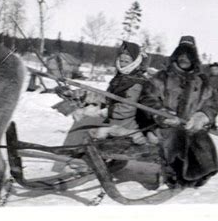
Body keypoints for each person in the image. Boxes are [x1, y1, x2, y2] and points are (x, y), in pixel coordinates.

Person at [52, 40, 149, 172]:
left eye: (126, 61)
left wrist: (100, 112)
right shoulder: (121, 77)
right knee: (82, 117)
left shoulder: (137, 82)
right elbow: (108, 97)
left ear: (135, 62)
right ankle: (76, 158)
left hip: (125, 121)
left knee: (82, 125)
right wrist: (83, 95)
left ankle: (67, 162)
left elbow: (127, 109)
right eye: (121, 60)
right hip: (115, 116)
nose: (122, 63)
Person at [137, 35, 218, 188]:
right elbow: (147, 98)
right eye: (181, 54)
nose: (184, 58)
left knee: (202, 140)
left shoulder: (202, 81)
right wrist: (161, 114)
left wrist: (201, 117)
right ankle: (174, 175)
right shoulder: (161, 77)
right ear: (175, 55)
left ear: (194, 58)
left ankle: (199, 176)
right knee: (176, 138)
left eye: (189, 55)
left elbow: (212, 104)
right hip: (164, 125)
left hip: (190, 125)